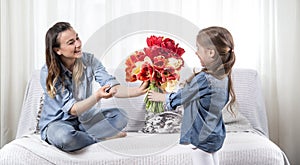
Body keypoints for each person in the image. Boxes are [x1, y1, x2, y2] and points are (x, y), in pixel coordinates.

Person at [39, 22, 148, 152]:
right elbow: (73, 110)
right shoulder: (48, 73)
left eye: (77, 38)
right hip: (58, 123)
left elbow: (111, 85)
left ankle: (83, 137)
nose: (78, 44)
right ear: (58, 50)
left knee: (120, 116)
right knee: (65, 138)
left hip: (84, 120)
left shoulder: (89, 60)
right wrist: (97, 96)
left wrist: (137, 91)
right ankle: (100, 138)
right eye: (71, 42)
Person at [147, 26, 236, 165]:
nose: (196, 52)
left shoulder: (204, 79)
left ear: (211, 53)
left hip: (200, 136)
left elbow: (182, 96)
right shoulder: (224, 77)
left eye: (199, 48)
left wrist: (162, 97)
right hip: (215, 134)